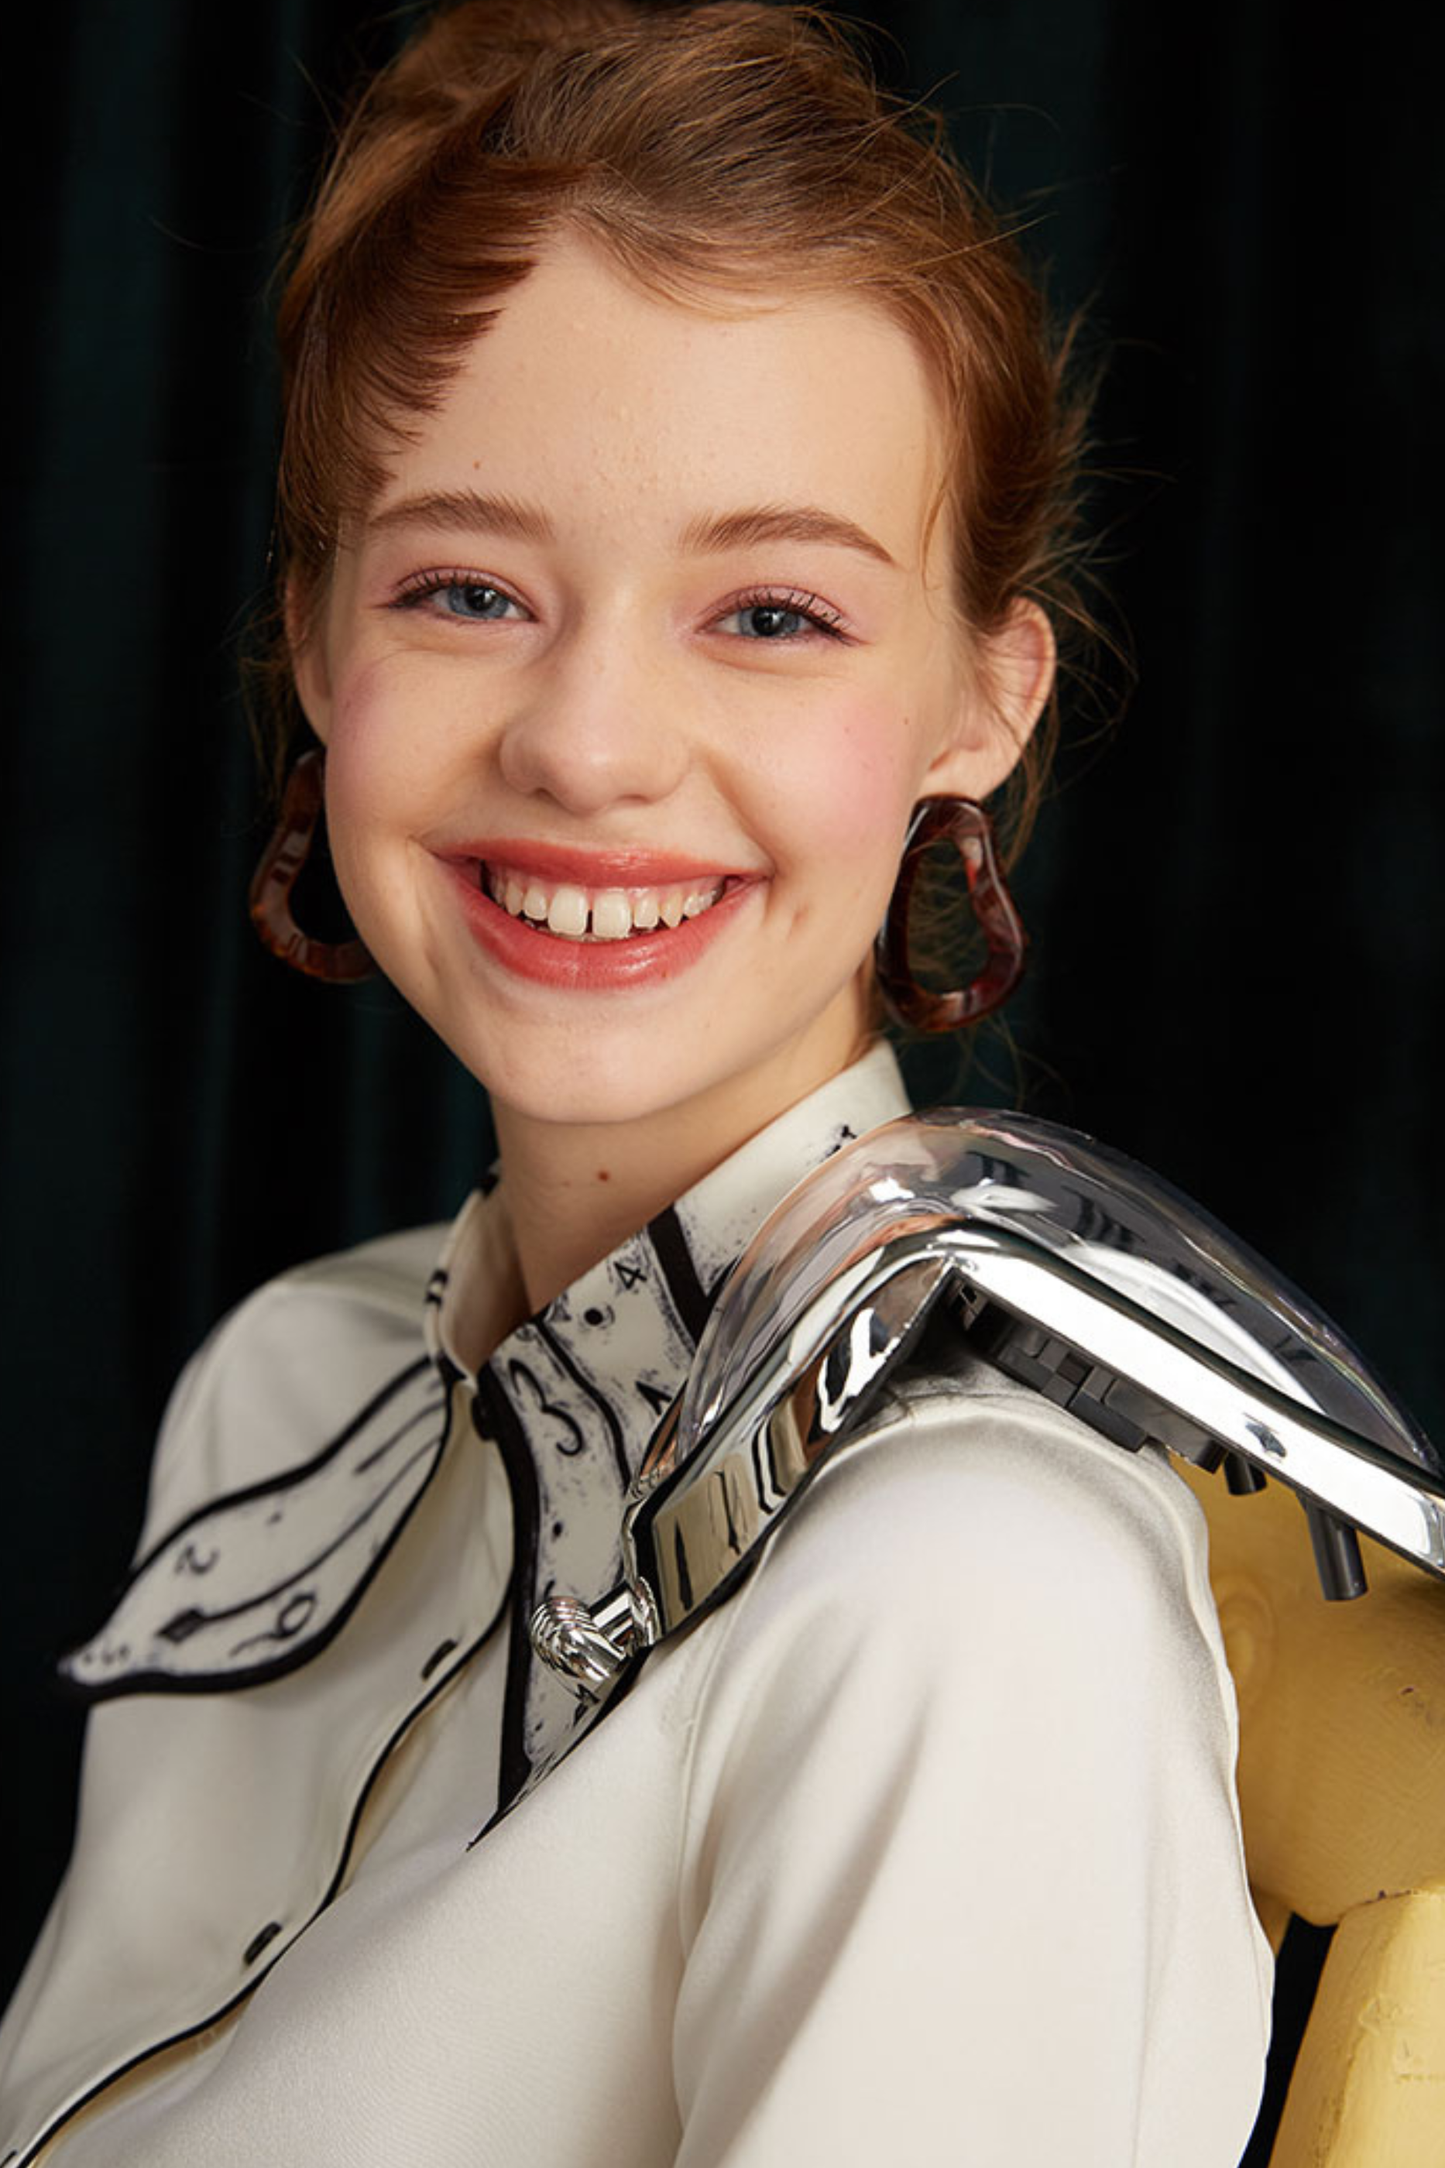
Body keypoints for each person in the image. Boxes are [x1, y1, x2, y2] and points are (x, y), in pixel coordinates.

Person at [0, 2, 1273, 2160]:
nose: (586, 744)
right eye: (467, 587)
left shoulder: (971, 1605)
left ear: (978, 698)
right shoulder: (281, 1389)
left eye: (767, 614)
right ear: (318, 645)